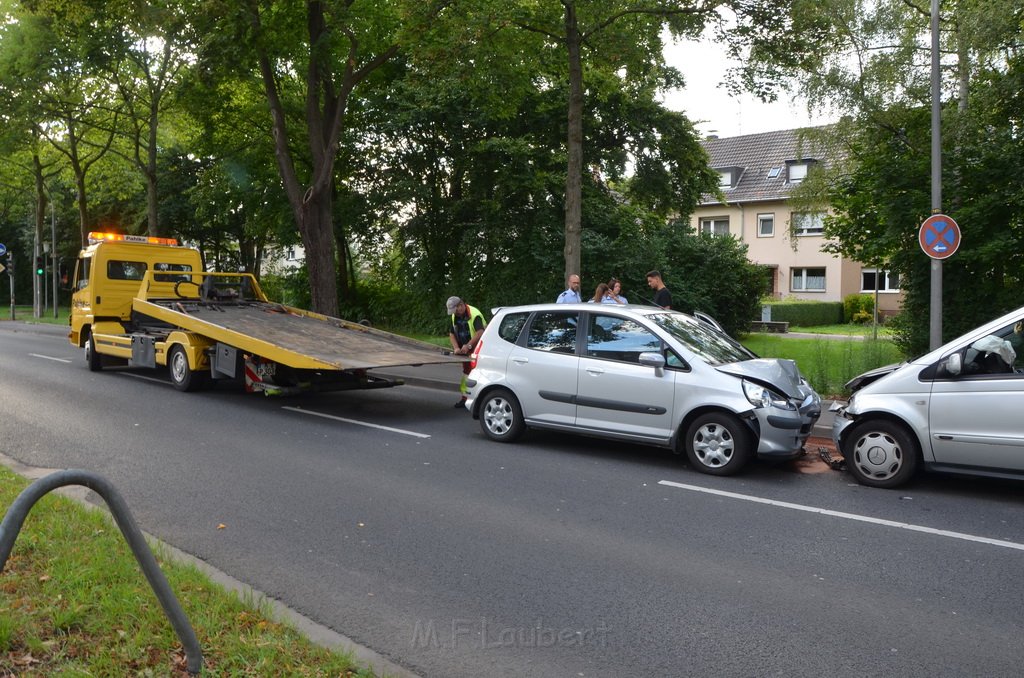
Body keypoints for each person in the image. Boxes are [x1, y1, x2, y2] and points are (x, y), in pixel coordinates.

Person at [447, 296, 487, 408]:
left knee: (477, 373)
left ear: (461, 305)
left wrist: (469, 345)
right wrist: (456, 347)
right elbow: (452, 334)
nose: (455, 314)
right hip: (465, 349)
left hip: (479, 348)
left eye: (455, 311)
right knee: (466, 373)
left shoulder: (475, 314)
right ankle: (465, 399)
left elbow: (480, 333)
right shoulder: (455, 316)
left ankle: (478, 400)